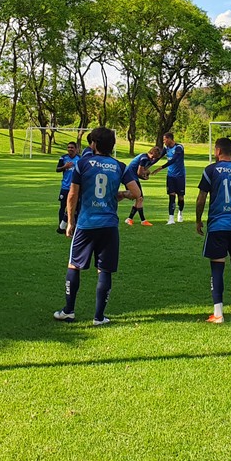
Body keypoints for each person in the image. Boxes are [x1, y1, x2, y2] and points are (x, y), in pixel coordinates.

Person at [56, 126, 141, 326]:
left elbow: (72, 194)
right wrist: (121, 194)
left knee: (74, 265)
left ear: (94, 144)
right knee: (104, 270)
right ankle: (99, 317)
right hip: (109, 225)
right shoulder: (119, 166)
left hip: (87, 223)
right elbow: (136, 193)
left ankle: (69, 311)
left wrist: (70, 221)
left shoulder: (83, 164)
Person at [195, 137, 231, 323]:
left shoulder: (211, 170)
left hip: (218, 226)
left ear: (218, 151)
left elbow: (201, 198)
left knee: (217, 267)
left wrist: (198, 220)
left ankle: (218, 313)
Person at [153, 132, 187, 225]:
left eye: (165, 139)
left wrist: (161, 167)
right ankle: (171, 218)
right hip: (170, 176)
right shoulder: (166, 148)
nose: (164, 141)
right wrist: (148, 165)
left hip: (180, 176)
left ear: (170, 139)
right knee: (171, 196)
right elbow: (158, 157)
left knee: (180, 197)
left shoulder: (179, 147)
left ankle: (180, 212)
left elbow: (174, 159)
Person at [124, 146, 161, 225]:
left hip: (132, 177)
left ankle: (131, 219)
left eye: (155, 158)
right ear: (150, 153)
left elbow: (143, 170)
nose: (153, 159)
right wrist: (145, 178)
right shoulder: (144, 158)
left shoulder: (147, 158)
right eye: (153, 157)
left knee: (139, 198)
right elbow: (139, 173)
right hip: (130, 177)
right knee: (139, 197)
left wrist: (146, 173)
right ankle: (141, 220)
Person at [55, 141, 81, 234]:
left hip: (75, 188)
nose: (70, 149)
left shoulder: (80, 159)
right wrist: (64, 167)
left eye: (72, 147)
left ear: (76, 149)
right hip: (65, 187)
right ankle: (61, 226)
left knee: (76, 208)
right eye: (68, 147)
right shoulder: (63, 158)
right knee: (63, 206)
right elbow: (57, 169)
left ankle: (75, 227)